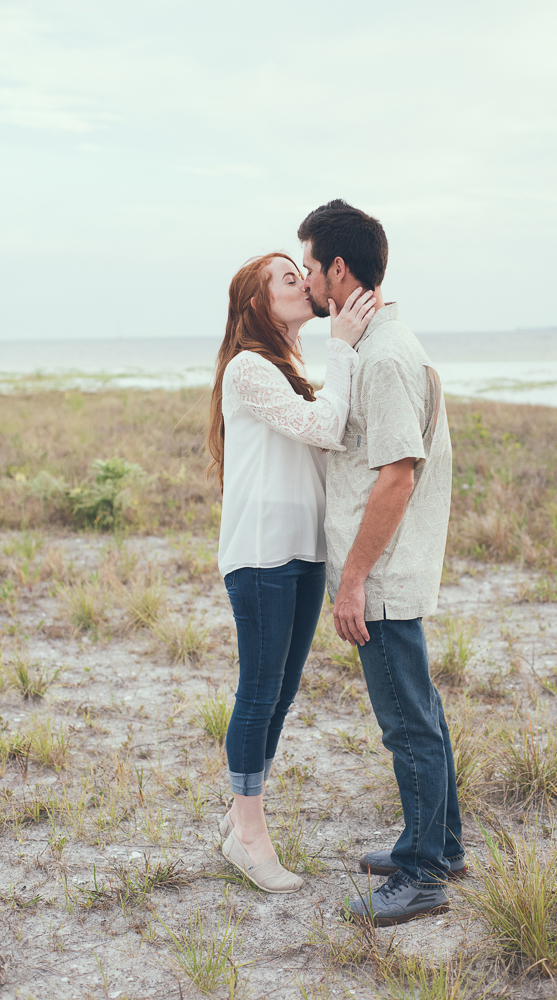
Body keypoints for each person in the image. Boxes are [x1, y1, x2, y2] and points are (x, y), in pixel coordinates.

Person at [298, 200, 465, 926]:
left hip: (385, 578)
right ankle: (439, 846)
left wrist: (354, 580)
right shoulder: (377, 344)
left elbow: (398, 473)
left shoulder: (387, 358)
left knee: (406, 725)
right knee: (419, 713)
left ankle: (423, 875)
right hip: (386, 572)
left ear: (338, 269)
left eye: (307, 266)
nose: (303, 280)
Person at [207, 252, 375, 893]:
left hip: (304, 552)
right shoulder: (249, 367)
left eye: (299, 272)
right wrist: (344, 348)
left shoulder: (291, 366)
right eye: (286, 278)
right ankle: (250, 837)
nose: (303, 282)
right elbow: (326, 428)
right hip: (262, 554)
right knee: (258, 693)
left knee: (279, 694)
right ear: (256, 304)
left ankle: (236, 819)